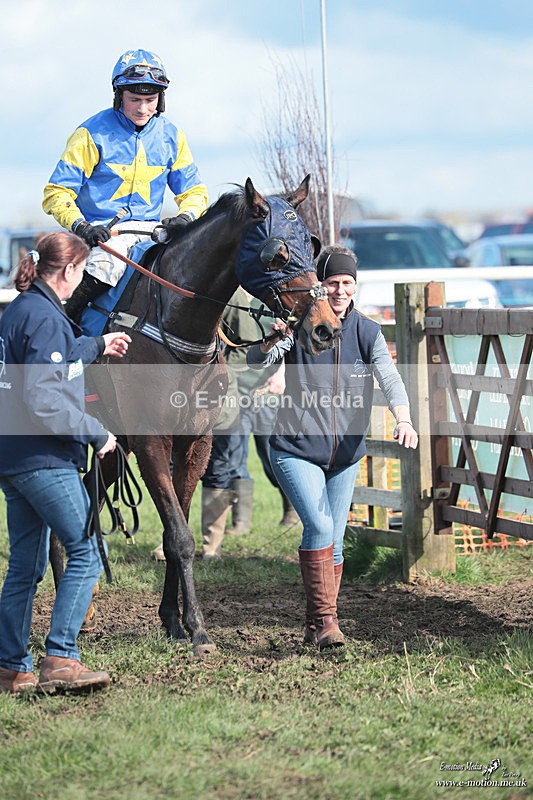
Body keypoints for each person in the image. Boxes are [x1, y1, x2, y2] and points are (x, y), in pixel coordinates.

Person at [247, 245, 418, 650]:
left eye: (347, 283)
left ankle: (315, 624)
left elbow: (390, 378)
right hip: (296, 448)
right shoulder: (300, 327)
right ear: (319, 287)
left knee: (335, 542)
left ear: (355, 286)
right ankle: (328, 623)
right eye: (332, 283)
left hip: (345, 456)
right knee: (321, 527)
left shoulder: (367, 332)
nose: (340, 290)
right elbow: (256, 362)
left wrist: (404, 418)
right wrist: (272, 340)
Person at [0, 232, 132, 693]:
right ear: (71, 270)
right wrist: (97, 433)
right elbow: (45, 398)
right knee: (86, 551)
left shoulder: (22, 310)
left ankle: (10, 667)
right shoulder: (45, 317)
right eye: (83, 270)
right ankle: (60, 657)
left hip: (14, 457)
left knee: (25, 566)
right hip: (45, 457)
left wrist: (99, 344)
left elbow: (51, 362)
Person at [42, 48, 208, 321]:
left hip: (152, 232)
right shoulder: (90, 133)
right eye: (134, 99)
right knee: (107, 266)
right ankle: (64, 327)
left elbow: (194, 191)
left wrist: (186, 217)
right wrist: (81, 226)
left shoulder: (172, 136)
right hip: (103, 236)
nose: (143, 109)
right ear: (119, 96)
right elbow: (56, 192)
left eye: (150, 100)